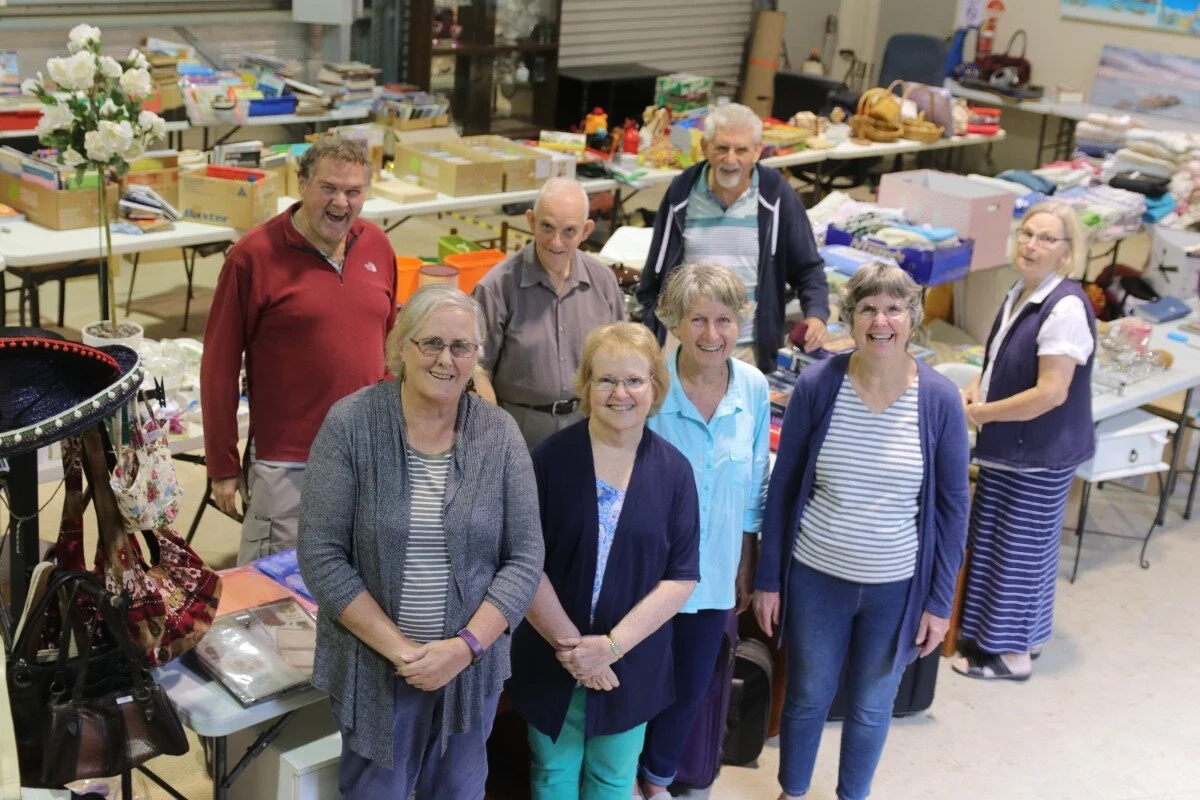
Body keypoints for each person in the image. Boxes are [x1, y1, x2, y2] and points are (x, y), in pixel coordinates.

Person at [297, 284, 544, 798]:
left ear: (477, 357)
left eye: (461, 348)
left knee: (458, 790)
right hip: (374, 667)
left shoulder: (499, 435)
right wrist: (404, 653)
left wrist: (465, 648)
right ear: (401, 348)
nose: (445, 360)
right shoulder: (351, 424)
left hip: (469, 671)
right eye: (431, 343)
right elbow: (321, 555)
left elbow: (524, 558)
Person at [752, 262, 970, 800]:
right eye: (868, 308)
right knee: (806, 696)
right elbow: (783, 490)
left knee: (873, 706)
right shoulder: (819, 385)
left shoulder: (939, 401)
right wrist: (769, 580)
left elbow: (951, 512)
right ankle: (794, 792)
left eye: (894, 308)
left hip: (895, 588)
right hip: (816, 577)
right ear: (850, 317)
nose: (881, 321)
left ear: (913, 319)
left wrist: (940, 603)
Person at [507, 322, 701, 800]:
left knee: (613, 779)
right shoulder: (548, 461)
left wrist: (611, 648)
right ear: (586, 385)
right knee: (552, 774)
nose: (621, 393)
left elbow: (681, 578)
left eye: (634, 380)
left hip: (631, 661)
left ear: (655, 387)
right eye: (606, 379)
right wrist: (578, 653)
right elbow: (523, 561)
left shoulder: (674, 472)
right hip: (554, 653)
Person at [201, 135, 397, 565]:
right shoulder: (253, 257)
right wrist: (222, 463)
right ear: (302, 183)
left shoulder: (379, 247)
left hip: (363, 457)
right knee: (274, 599)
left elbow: (391, 350)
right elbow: (218, 367)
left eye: (353, 191)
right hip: (286, 464)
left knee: (354, 584)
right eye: (328, 188)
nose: (341, 203)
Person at [636, 264, 770, 797]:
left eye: (724, 320)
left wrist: (747, 561)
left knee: (690, 687)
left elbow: (756, 478)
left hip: (713, 572)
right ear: (673, 320)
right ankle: (620, 778)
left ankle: (657, 780)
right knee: (637, 683)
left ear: (741, 324)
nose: (711, 335)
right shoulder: (651, 383)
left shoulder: (754, 387)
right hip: (650, 573)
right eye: (697, 319)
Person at [954, 202, 1095, 682]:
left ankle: (1009, 656)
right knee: (1003, 544)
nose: (1031, 245)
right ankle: (1017, 637)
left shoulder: (1067, 307)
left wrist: (979, 414)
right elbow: (999, 359)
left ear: (1067, 252)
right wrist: (978, 385)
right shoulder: (1023, 292)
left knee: (1018, 551)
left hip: (1036, 452)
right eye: (1027, 234)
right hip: (1010, 447)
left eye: (1046, 239)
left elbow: (1051, 393)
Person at [636, 102, 830, 372]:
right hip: (685, 347)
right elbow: (654, 274)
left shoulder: (776, 197)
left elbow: (808, 268)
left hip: (747, 349)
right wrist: (655, 330)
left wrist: (817, 315)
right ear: (705, 148)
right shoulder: (682, 192)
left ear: (758, 151)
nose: (730, 159)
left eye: (741, 150)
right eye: (721, 148)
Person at [472, 177, 626, 448]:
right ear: (531, 221)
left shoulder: (603, 281)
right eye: (547, 227)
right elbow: (477, 369)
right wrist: (492, 438)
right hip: (520, 432)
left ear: (586, 230)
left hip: (589, 425)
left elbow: (622, 357)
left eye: (569, 231)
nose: (556, 242)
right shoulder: (496, 287)